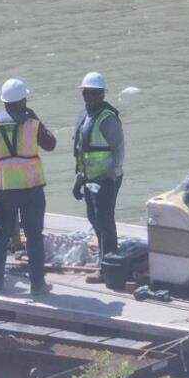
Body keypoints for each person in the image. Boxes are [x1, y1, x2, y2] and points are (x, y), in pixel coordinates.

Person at [0, 78, 56, 296]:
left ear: (4, 102)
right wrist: (35, 118)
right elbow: (50, 144)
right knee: (34, 236)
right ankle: (37, 285)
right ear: (23, 101)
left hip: (2, 189)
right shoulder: (33, 125)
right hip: (31, 189)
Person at [72, 72, 124, 268]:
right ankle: (107, 255)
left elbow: (118, 149)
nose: (89, 98)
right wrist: (79, 179)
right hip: (89, 178)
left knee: (104, 220)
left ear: (102, 95)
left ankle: (107, 264)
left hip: (106, 178)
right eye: (86, 93)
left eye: (94, 94)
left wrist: (111, 176)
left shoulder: (107, 118)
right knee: (93, 217)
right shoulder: (85, 116)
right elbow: (81, 151)